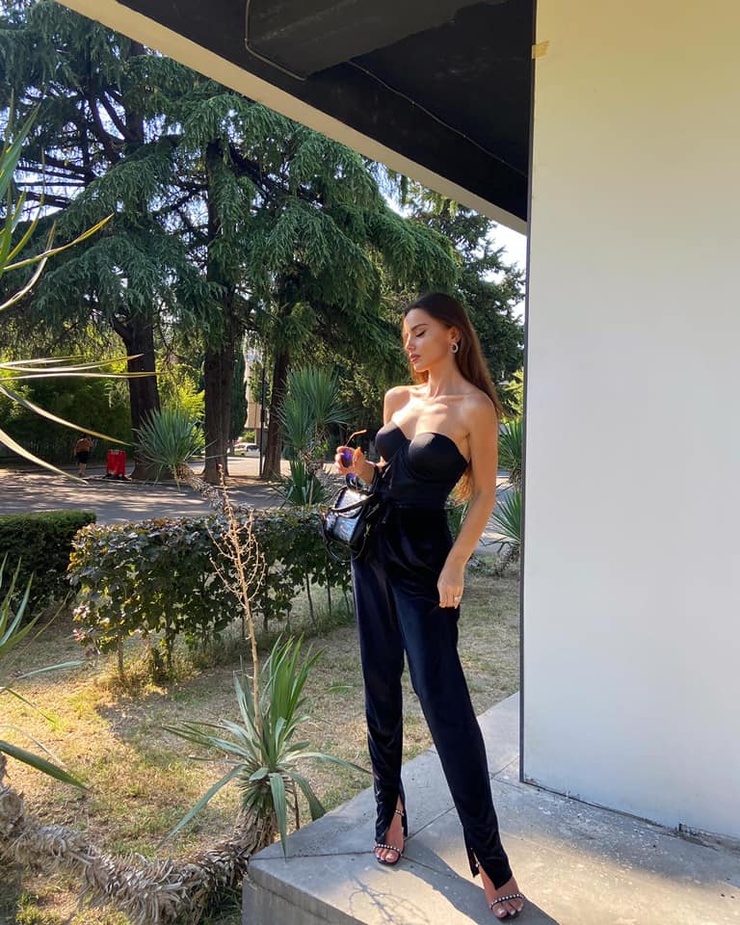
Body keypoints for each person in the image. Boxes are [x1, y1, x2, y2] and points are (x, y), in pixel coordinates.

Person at [334, 292, 525, 920]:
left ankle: (490, 856)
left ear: (453, 335)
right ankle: (389, 806)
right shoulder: (398, 399)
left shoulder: (476, 408)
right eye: (406, 336)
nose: (410, 344)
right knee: (378, 684)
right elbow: (386, 479)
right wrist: (360, 468)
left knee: (444, 702)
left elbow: (483, 496)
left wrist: (456, 564)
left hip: (426, 563)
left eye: (420, 332)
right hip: (373, 554)